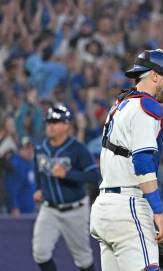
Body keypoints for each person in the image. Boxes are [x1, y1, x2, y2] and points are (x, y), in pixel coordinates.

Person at [90, 49, 163, 271]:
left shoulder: (121, 104)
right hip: (128, 207)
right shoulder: (147, 107)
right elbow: (143, 162)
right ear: (155, 75)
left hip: (104, 207)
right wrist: (158, 213)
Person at [32, 105, 101, 271]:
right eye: (49, 121)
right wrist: (39, 188)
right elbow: (38, 172)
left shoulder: (77, 149)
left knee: (83, 259)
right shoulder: (41, 149)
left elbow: (94, 176)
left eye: (55, 121)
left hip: (75, 209)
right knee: (40, 253)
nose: (51, 125)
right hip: (49, 209)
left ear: (66, 125)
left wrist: (67, 174)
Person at [4, 136, 36, 217]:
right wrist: (14, 207)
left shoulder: (29, 163)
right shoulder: (17, 164)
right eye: (26, 149)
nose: (30, 151)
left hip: (29, 209)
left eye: (31, 148)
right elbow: (11, 188)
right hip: (19, 211)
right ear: (20, 150)